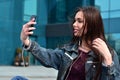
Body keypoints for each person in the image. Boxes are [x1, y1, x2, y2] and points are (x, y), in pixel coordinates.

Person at [12, 6, 120, 80]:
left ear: (91, 24)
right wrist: (26, 41)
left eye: (79, 21)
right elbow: (48, 56)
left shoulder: (108, 53)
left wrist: (108, 62)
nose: (74, 24)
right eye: (74, 20)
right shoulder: (69, 50)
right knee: (17, 79)